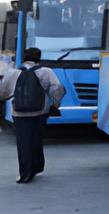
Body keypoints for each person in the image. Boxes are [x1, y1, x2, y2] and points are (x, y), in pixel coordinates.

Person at [0, 47, 65, 183]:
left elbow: (3, 91)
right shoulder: (46, 72)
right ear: (39, 58)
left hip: (19, 113)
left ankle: (25, 174)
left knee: (23, 143)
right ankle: (37, 167)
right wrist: (54, 104)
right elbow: (57, 88)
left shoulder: (14, 73)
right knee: (36, 139)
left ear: (23, 58)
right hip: (39, 112)